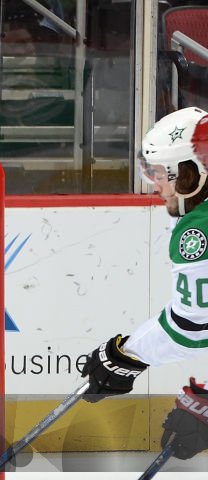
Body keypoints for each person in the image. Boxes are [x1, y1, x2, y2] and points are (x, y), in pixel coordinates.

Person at [79, 106, 208, 462]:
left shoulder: (199, 229)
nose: (158, 185)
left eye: (162, 173)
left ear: (192, 172)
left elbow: (191, 329)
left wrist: (128, 356)